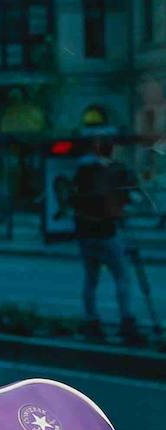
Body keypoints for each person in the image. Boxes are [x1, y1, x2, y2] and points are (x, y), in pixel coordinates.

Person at [72, 134, 145, 345]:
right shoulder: (115, 170)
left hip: (85, 232)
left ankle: (91, 319)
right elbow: (132, 197)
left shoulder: (83, 169)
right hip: (107, 231)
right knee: (122, 276)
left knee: (91, 278)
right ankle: (126, 320)